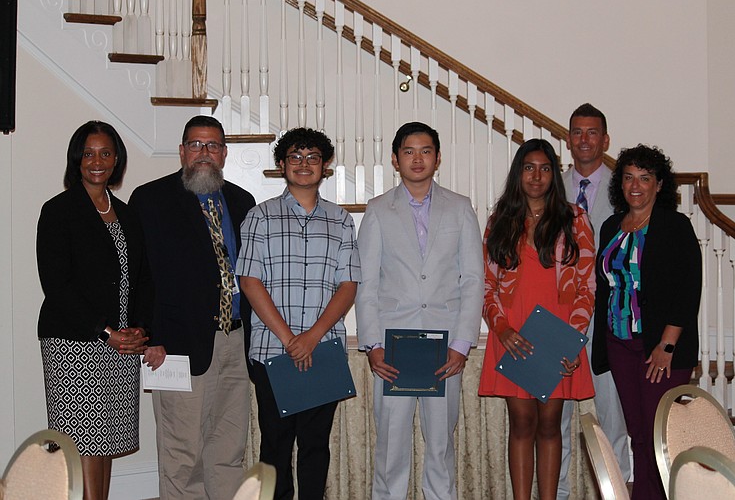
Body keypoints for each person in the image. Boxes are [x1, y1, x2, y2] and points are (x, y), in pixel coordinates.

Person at [129, 115, 255, 500]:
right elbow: (139, 275)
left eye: (213, 146)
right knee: (183, 452)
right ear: (182, 151)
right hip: (177, 344)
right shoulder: (150, 199)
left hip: (235, 341)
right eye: (196, 145)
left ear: (224, 154)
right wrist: (149, 335)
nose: (204, 153)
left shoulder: (241, 200)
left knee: (229, 448)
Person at [356, 121, 483, 500]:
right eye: (409, 151)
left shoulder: (460, 208)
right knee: (391, 446)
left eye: (425, 150)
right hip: (393, 347)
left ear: (438, 158)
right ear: (395, 160)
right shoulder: (378, 210)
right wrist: (372, 344)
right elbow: (367, 282)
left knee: (441, 445)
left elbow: (473, 279)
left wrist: (462, 343)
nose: (417, 158)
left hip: (445, 347)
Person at [236, 127, 361, 500]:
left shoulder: (340, 220)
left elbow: (348, 285)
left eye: (312, 158)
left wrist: (311, 337)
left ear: (325, 167)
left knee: (314, 447)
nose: (303, 165)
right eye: (295, 157)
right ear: (281, 164)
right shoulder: (260, 217)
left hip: (322, 352)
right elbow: (249, 280)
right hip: (273, 353)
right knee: (274, 448)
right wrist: (291, 339)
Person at [37, 120, 151, 500]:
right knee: (84, 443)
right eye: (88, 154)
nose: (97, 161)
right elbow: (57, 286)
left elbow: (140, 278)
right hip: (75, 345)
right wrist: (106, 332)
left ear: (116, 158)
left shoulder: (124, 212)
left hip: (121, 346)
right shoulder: (58, 211)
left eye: (105, 153)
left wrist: (138, 330)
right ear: (77, 160)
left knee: (104, 444)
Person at [479, 138, 595, 500]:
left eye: (545, 169)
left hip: (557, 335)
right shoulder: (500, 220)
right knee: (522, 424)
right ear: (519, 172)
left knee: (549, 425)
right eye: (529, 167)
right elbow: (487, 286)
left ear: (554, 175)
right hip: (513, 335)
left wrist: (572, 340)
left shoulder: (574, 218)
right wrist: (502, 330)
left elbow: (587, 286)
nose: (537, 176)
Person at [592, 144, 701, 500]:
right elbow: (605, 284)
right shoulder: (611, 226)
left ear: (659, 184)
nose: (635, 185)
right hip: (620, 342)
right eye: (628, 177)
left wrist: (667, 345)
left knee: (661, 435)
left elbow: (688, 289)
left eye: (644, 178)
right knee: (637, 433)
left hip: (660, 347)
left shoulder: (674, 225)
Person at [558, 103, 631, 499]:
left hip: (610, 319)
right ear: (568, 140)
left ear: (605, 140)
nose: (584, 140)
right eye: (577, 132)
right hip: (559, 317)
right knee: (557, 420)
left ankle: (616, 492)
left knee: (611, 418)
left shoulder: (627, 189)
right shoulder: (551, 185)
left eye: (592, 132)